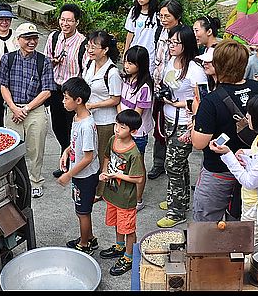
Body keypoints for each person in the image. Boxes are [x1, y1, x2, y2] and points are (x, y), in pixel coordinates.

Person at [191, 39, 258, 222]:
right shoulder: (257, 88)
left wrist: (196, 113)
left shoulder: (211, 101)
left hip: (219, 169)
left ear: (218, 65)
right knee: (241, 221)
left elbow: (199, 143)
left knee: (207, 221)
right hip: (251, 167)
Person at [210, 93, 258, 243]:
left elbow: (249, 181)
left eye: (251, 114)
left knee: (250, 247)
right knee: (254, 242)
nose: (247, 116)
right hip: (253, 201)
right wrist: (247, 153)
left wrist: (228, 155)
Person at [0, 22, 55, 198]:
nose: (32, 42)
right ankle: (13, 181)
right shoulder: (8, 59)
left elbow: (47, 90)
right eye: (27, 38)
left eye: (34, 38)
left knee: (36, 148)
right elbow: (3, 86)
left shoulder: (43, 60)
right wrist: (14, 108)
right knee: (12, 149)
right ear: (18, 40)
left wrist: (26, 109)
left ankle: (35, 181)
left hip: (34, 110)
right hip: (14, 108)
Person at [157, 25, 207, 228]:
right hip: (169, 119)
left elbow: (201, 100)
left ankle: (176, 210)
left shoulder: (195, 70)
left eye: (176, 43)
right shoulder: (171, 61)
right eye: (170, 42)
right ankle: (179, 198)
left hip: (185, 123)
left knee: (173, 164)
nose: (171, 46)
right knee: (179, 163)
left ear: (186, 45)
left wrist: (179, 104)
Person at [44, 3, 88, 179]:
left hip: (73, 91)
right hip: (56, 89)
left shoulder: (83, 43)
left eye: (69, 20)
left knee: (73, 128)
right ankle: (66, 157)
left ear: (77, 22)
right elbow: (46, 60)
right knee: (58, 126)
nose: (65, 23)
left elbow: (85, 69)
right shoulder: (53, 37)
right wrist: (52, 62)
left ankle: (74, 165)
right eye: (63, 19)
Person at [99, 109, 145, 276]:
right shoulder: (113, 139)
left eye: (122, 127)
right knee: (117, 223)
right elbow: (106, 157)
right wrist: (105, 172)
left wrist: (116, 174)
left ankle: (129, 256)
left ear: (133, 131)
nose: (117, 129)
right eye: (116, 124)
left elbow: (138, 178)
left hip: (126, 198)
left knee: (128, 229)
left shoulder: (134, 153)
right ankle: (119, 246)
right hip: (112, 193)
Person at [57, 77, 100, 255]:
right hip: (79, 174)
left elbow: (88, 157)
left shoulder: (87, 126)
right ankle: (89, 238)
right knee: (80, 209)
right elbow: (76, 145)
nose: (63, 101)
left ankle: (84, 244)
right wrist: (66, 151)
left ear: (78, 100)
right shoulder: (77, 118)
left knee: (83, 212)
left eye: (66, 98)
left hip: (85, 176)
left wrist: (68, 175)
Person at [83, 30, 122, 202]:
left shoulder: (112, 72)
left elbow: (115, 99)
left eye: (94, 47)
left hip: (105, 121)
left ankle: (101, 190)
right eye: (88, 46)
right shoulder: (89, 64)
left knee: (103, 156)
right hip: (90, 118)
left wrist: (94, 105)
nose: (90, 50)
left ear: (105, 50)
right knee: (90, 154)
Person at [148, 0, 184, 181]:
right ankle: (158, 162)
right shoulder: (159, 32)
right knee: (159, 128)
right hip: (158, 87)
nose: (163, 19)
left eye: (167, 16)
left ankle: (174, 164)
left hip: (176, 91)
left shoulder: (182, 36)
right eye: (161, 16)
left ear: (177, 17)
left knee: (174, 128)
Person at [118, 45, 154, 211]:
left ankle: (138, 199)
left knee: (137, 167)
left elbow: (136, 116)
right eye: (126, 62)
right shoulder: (126, 80)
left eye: (131, 63)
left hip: (137, 133)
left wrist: (123, 125)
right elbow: (120, 102)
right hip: (124, 128)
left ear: (141, 65)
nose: (127, 66)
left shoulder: (145, 88)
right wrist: (120, 123)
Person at [123, 0, 160, 72]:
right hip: (135, 51)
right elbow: (130, 32)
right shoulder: (134, 11)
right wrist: (126, 51)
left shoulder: (157, 13)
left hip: (150, 52)